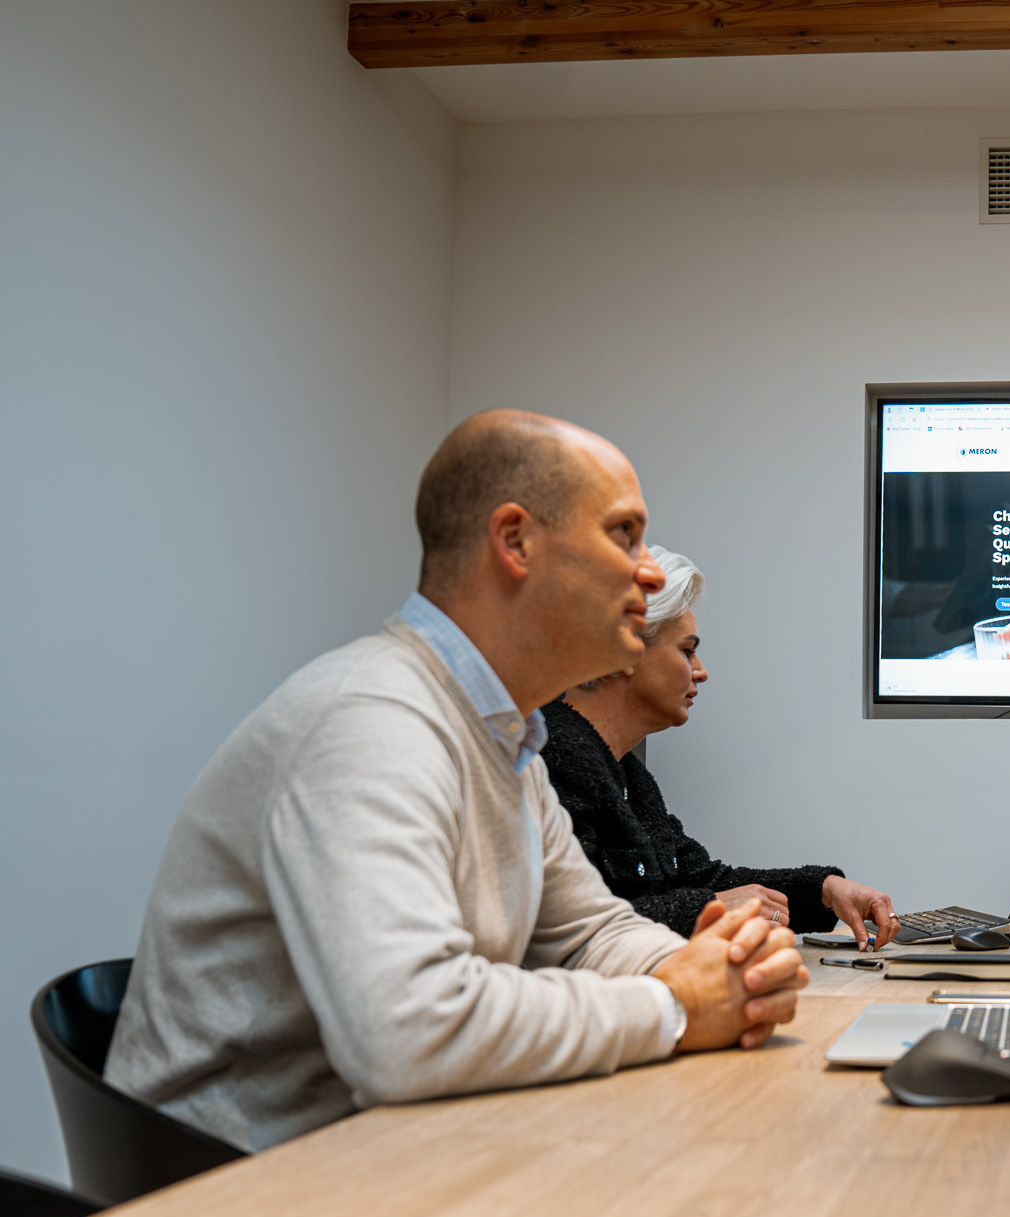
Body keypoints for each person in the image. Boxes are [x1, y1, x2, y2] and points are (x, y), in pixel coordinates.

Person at [106, 410, 809, 1151]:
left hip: (380, 1157)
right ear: (515, 542)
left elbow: (585, 931)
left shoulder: (502, 738)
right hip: (230, 1202)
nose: (651, 572)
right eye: (623, 534)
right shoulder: (372, 720)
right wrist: (669, 1003)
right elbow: (407, 1027)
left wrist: (723, 973)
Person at [541, 546, 901, 950]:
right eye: (687, 650)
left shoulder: (626, 771)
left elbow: (701, 880)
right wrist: (709, 909)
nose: (701, 671)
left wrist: (824, 890)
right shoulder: (553, 758)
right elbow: (576, 928)